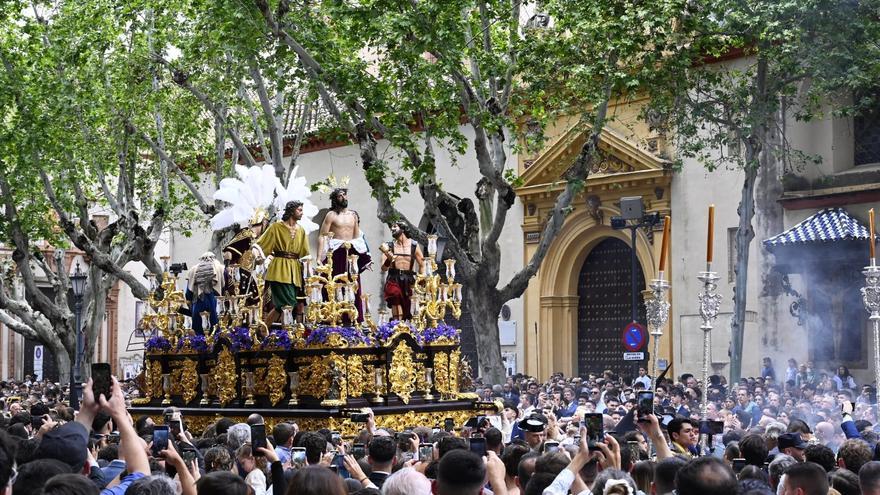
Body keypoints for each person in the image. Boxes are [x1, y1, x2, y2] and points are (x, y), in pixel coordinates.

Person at [317, 188, 372, 323]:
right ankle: (334, 316)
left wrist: (366, 257)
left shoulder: (353, 215)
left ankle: (352, 317)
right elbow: (323, 236)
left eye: (344, 194)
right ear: (335, 199)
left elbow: (358, 238)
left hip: (351, 254)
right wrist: (319, 257)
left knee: (352, 284)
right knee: (335, 283)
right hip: (336, 254)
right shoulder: (331, 215)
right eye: (340, 195)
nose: (343, 197)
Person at [258, 200, 310, 324]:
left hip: (294, 271)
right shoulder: (276, 227)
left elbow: (305, 253)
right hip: (279, 269)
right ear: (291, 211)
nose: (302, 213)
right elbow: (262, 244)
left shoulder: (301, 230)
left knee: (284, 305)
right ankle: (285, 332)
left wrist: (309, 271)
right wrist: (256, 254)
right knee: (287, 304)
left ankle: (265, 330)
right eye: (299, 210)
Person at [380, 221, 424, 321]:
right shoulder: (389, 246)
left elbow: (422, 264)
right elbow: (383, 268)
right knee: (395, 295)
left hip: (409, 279)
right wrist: (389, 259)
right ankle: (397, 324)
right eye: (391, 227)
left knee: (408, 307)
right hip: (393, 278)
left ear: (403, 229)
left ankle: (405, 326)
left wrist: (421, 281)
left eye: (395, 226)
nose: (392, 229)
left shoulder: (413, 246)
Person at [185, 252, 225, 335]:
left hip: (198, 302)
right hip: (214, 301)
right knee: (215, 328)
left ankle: (199, 345)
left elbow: (188, 292)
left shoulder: (193, 270)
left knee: (198, 329)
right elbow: (225, 287)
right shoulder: (220, 268)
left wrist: (189, 301)